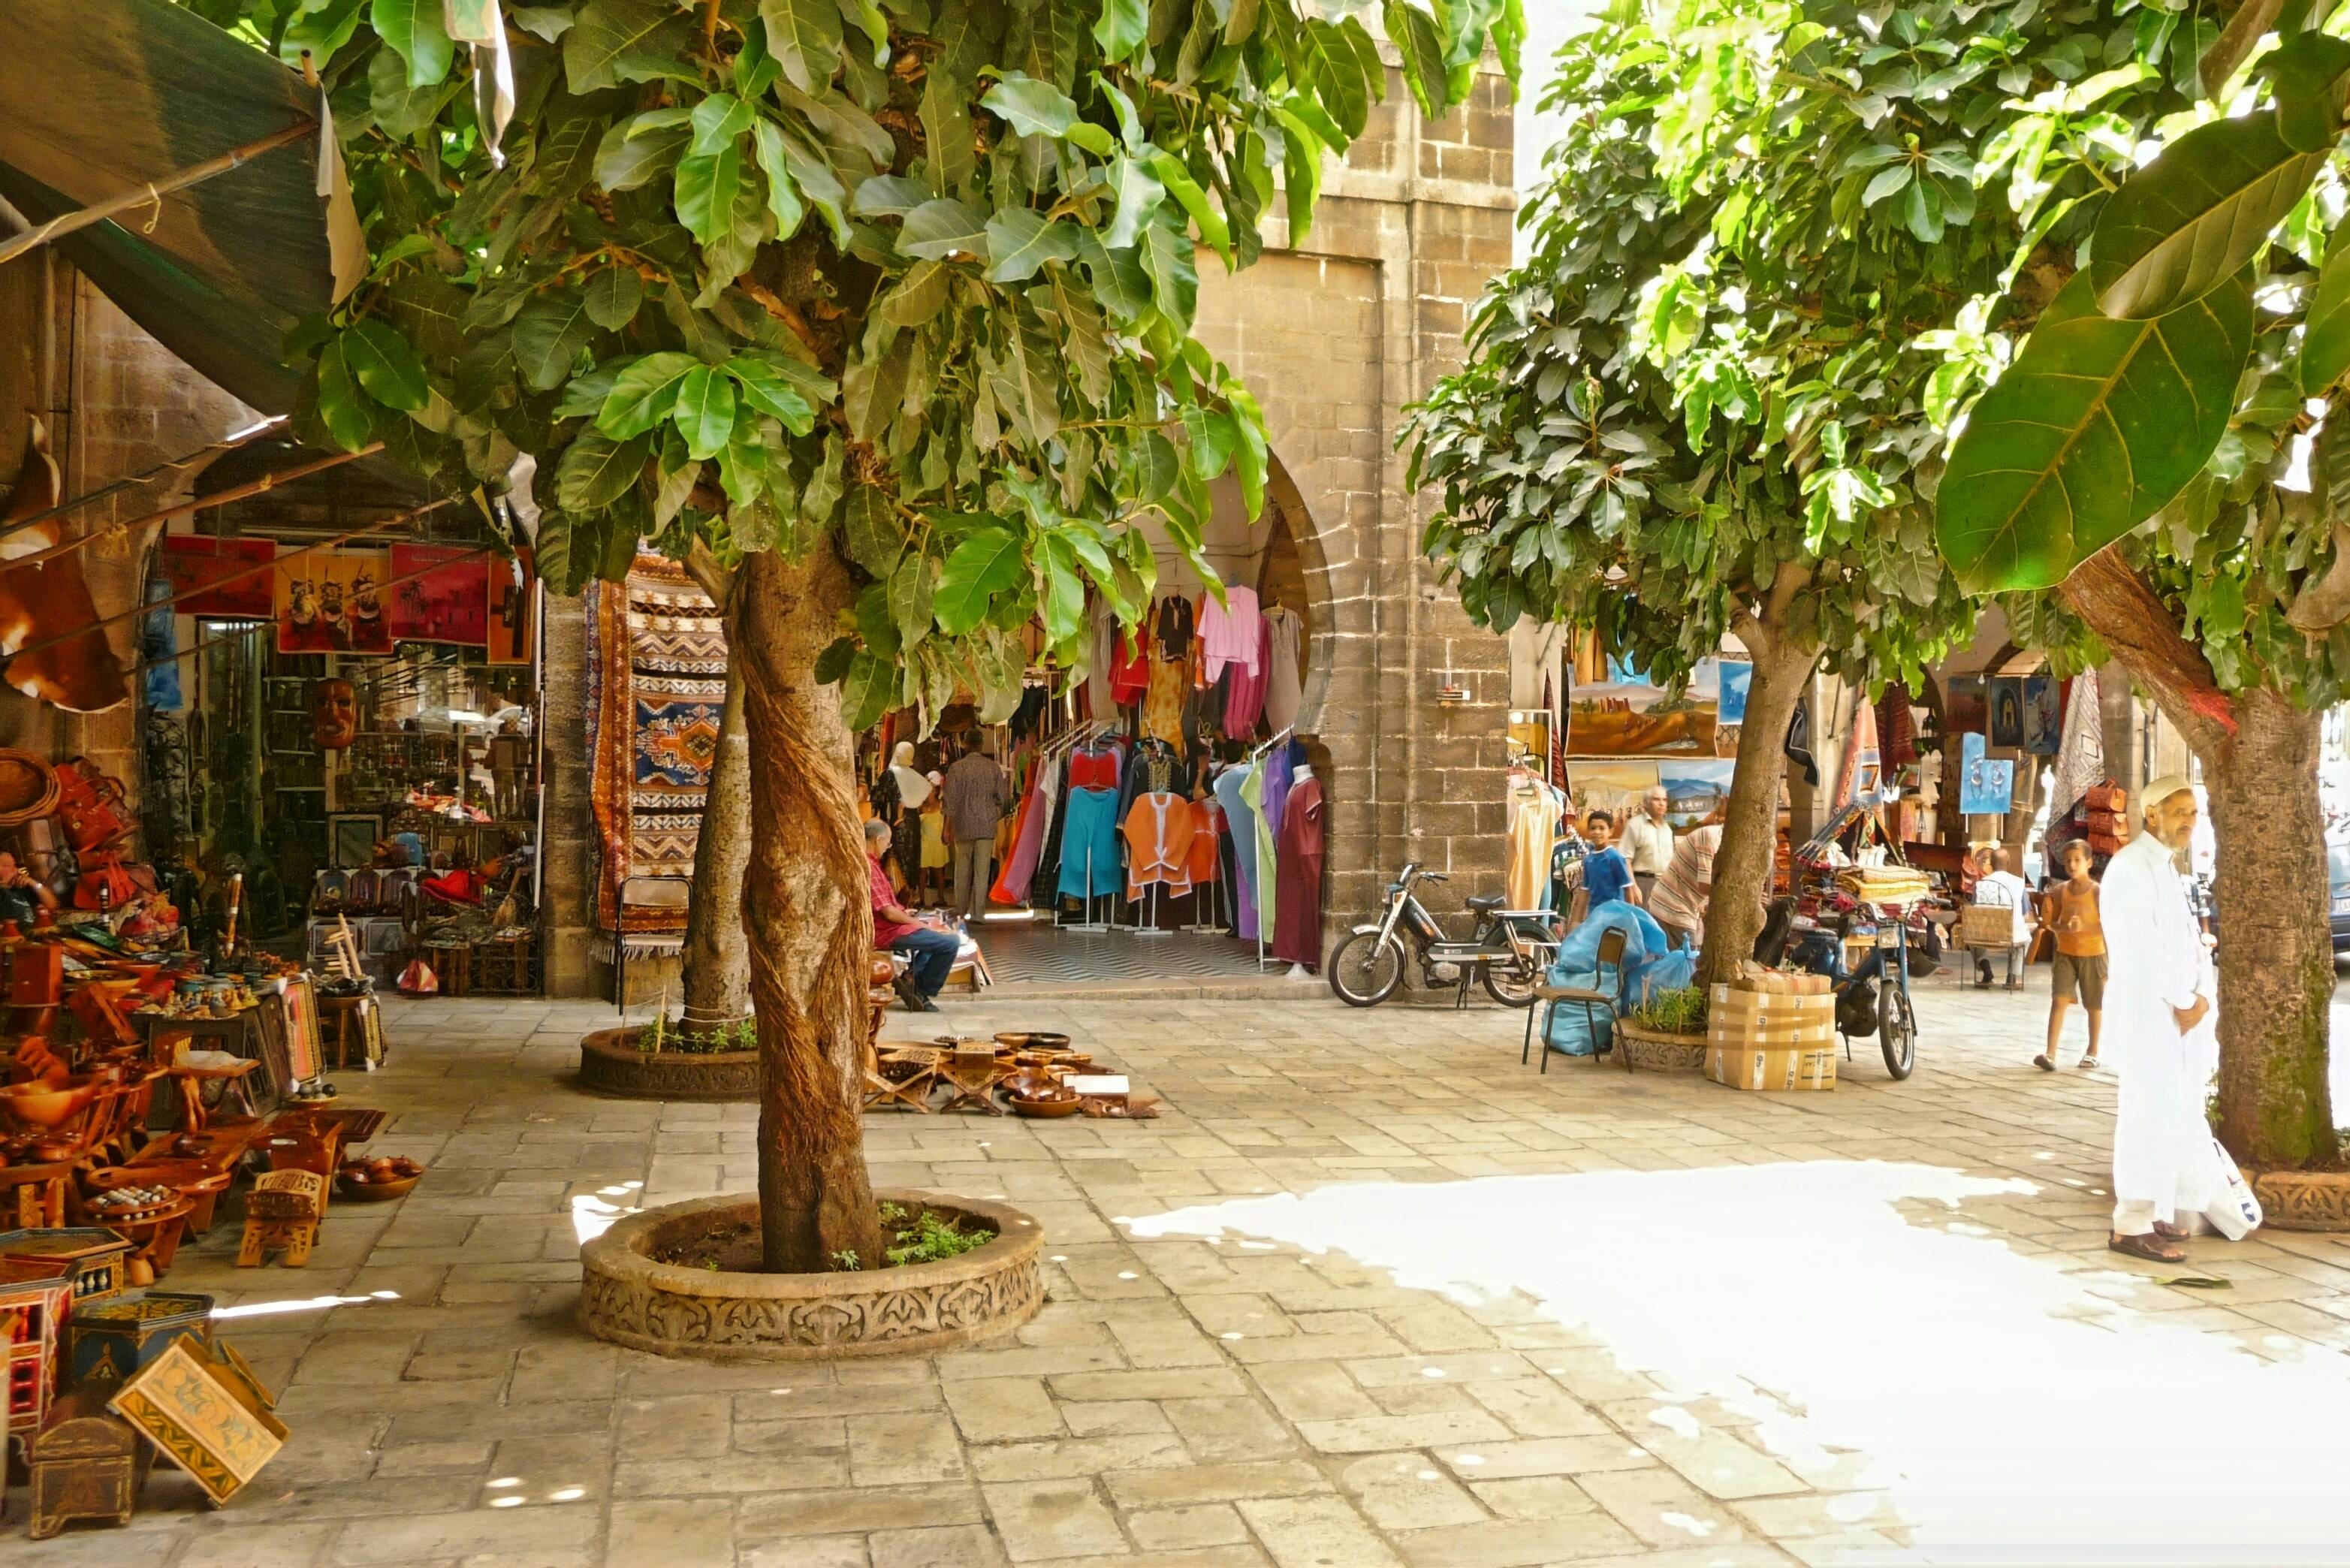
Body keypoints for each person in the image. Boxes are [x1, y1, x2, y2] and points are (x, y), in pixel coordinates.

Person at [2101, 776, 2231, 1263]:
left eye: (2193, 814)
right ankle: (2129, 1225)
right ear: (2151, 813)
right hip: (2148, 1016)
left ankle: (2154, 1209)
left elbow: (2187, 944)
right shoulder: (2129, 868)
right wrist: (2183, 1000)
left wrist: (2199, 993)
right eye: (2179, 812)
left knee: (2169, 1112)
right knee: (2143, 1115)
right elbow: (2140, 952)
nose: (2188, 822)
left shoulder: (2167, 870)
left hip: (2175, 1018)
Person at [866, 819, 959, 1013]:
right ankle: (921, 989)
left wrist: (906, 914)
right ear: (878, 840)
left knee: (936, 932)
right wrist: (916, 923)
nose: (887, 847)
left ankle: (911, 979)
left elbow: (889, 907)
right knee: (949, 944)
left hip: (890, 925)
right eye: (888, 843)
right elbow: (888, 912)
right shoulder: (869, 866)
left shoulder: (872, 865)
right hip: (886, 931)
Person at [2036, 840, 2105, 1072]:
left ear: (2089, 862)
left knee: (2094, 1004)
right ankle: (2050, 1053)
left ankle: (2093, 1051)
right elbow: (2051, 923)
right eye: (2068, 861)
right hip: (2065, 952)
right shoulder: (2060, 891)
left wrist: (2085, 926)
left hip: (2093, 954)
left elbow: (2109, 927)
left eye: (2077, 860)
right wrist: (2064, 928)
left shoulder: (2097, 892)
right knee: (2059, 1000)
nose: (2072, 865)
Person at [941, 740, 1011, 918]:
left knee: (962, 869)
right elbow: (1003, 797)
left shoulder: (956, 768)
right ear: (980, 746)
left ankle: (961, 909)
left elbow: (950, 800)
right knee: (982, 870)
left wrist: (946, 827)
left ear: (965, 745)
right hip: (987, 824)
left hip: (962, 824)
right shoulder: (993, 767)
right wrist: (995, 810)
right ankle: (978, 913)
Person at [1646, 805, 1722, 950]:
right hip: (1673, 907)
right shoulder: (1710, 838)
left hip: (1681, 906)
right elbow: (1705, 886)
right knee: (1686, 963)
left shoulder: (1718, 840)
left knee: (1672, 962)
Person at [1970, 846, 2032, 988]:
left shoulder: (1980, 884)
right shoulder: (2019, 883)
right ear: (2009, 863)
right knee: (2025, 939)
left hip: (1985, 934)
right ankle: (2012, 977)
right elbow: (2025, 913)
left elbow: (1974, 911)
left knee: (1973, 936)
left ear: (1990, 864)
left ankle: (1986, 970)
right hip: (2011, 934)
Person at [1621, 786, 1676, 903]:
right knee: (1644, 920)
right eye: (1656, 799)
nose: (1661, 803)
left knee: (1661, 921)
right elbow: (1625, 860)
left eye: (1664, 800)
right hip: (1643, 883)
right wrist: (1633, 887)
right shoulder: (1634, 825)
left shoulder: (1667, 829)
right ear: (1646, 803)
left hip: (1666, 885)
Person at [1581, 810, 1638, 908]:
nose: (1597, 832)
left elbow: (1628, 889)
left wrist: (1630, 916)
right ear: (1588, 831)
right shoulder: (1588, 860)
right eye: (1593, 828)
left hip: (1615, 913)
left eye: (1602, 828)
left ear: (1610, 832)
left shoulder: (1615, 858)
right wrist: (1576, 920)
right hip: (1595, 913)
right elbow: (1584, 891)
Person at [0, 851, 57, 926]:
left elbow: (52, 904)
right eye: (6, 865)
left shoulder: (23, 886)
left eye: (14, 864)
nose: (15, 869)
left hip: (36, 930)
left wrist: (33, 883)